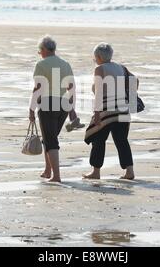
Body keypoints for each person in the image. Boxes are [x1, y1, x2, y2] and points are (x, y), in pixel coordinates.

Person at [83, 43, 135, 180]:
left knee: (98, 139)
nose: (95, 60)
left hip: (106, 111)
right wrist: (129, 96)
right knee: (122, 140)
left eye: (94, 58)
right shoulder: (121, 67)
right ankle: (129, 171)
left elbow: (99, 92)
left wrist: (96, 113)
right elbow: (135, 80)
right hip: (123, 109)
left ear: (99, 57)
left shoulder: (100, 69)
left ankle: (96, 172)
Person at [29, 35, 76, 183]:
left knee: (51, 140)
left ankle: (56, 176)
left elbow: (38, 88)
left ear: (43, 49)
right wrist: (71, 109)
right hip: (63, 104)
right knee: (49, 137)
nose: (39, 53)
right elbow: (71, 87)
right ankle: (48, 170)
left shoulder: (41, 64)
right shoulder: (65, 64)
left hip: (48, 103)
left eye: (39, 50)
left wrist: (31, 109)